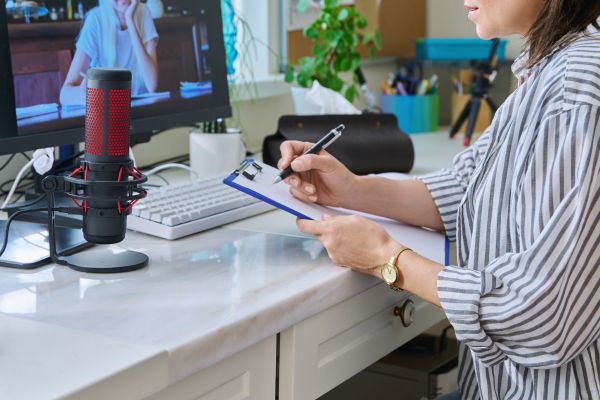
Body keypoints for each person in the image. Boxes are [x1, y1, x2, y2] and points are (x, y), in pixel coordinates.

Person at [278, 1, 600, 398]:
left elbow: (542, 316)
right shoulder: (549, 69)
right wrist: (350, 189)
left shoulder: (576, 89)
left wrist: (388, 260)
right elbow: (469, 188)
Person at [60, 0, 159, 105]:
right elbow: (64, 95)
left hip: (141, 112)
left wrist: (130, 20)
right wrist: (83, 92)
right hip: (108, 113)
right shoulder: (96, 18)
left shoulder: (144, 12)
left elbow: (152, 85)